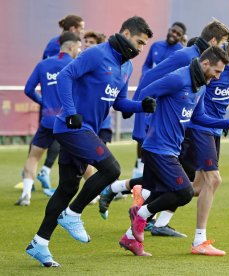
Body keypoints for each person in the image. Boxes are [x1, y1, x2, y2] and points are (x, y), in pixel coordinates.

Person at [25, 16, 155, 267]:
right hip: (71, 127)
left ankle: (39, 244)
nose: (140, 50)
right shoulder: (96, 53)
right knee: (112, 169)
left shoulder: (126, 66)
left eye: (144, 46)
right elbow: (65, 76)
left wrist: (141, 106)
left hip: (88, 130)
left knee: (65, 189)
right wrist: (71, 111)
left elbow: (119, 103)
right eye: (138, 42)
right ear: (126, 33)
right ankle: (73, 214)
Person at [100, 20, 229, 232]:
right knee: (181, 183)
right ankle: (149, 216)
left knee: (166, 181)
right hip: (163, 128)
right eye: (224, 43)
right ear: (213, 41)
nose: (224, 48)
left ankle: (122, 192)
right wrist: (135, 107)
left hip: (182, 128)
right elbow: (151, 78)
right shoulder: (186, 56)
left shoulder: (201, 70)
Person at [121, 46, 229, 257]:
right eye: (217, 71)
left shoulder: (200, 86)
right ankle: (140, 213)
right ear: (205, 65)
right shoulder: (178, 78)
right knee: (184, 193)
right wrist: (141, 112)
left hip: (171, 149)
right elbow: (146, 92)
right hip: (158, 148)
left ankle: (130, 238)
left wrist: (224, 122)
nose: (218, 77)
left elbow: (197, 117)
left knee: (158, 193)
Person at [169, 26, 229, 256]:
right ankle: (199, 240)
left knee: (198, 187)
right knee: (214, 179)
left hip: (217, 129)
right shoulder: (212, 59)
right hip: (200, 127)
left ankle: (143, 196)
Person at [15, 32, 82, 206]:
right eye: (79, 47)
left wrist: (43, 102)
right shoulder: (75, 64)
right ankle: (98, 194)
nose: (80, 50)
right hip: (66, 120)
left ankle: (26, 194)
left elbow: (29, 89)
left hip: (47, 120)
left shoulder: (43, 64)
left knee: (33, 157)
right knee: (83, 157)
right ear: (71, 46)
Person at [132, 22, 187, 179]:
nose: (174, 34)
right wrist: (146, 75)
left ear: (182, 37)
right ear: (169, 30)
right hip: (148, 92)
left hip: (163, 96)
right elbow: (147, 65)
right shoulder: (156, 45)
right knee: (141, 130)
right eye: (173, 31)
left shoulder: (181, 53)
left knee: (154, 129)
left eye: (178, 33)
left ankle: (150, 167)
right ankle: (139, 165)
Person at [37, 14, 85, 191]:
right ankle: (40, 172)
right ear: (73, 29)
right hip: (53, 100)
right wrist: (43, 99)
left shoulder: (71, 49)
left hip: (57, 100)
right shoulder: (54, 46)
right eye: (81, 27)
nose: (83, 30)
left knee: (54, 135)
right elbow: (50, 68)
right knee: (52, 134)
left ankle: (41, 172)